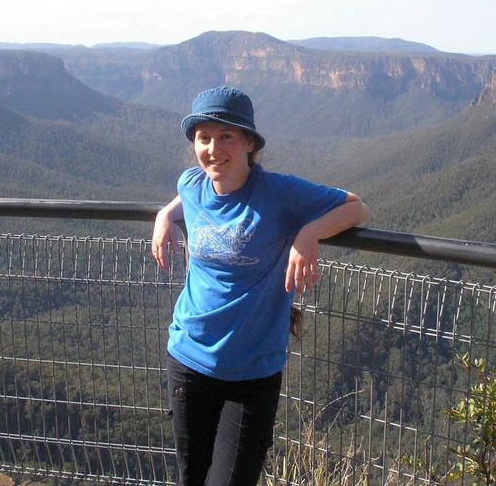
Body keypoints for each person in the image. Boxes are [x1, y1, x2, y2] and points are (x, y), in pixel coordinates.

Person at [152, 86, 369, 486]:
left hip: (251, 373)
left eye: (226, 137)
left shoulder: (278, 193)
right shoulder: (192, 183)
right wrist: (165, 215)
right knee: (191, 477)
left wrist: (309, 233)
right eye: (204, 138)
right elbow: (186, 195)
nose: (213, 149)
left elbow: (357, 207)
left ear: (249, 143)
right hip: (188, 357)